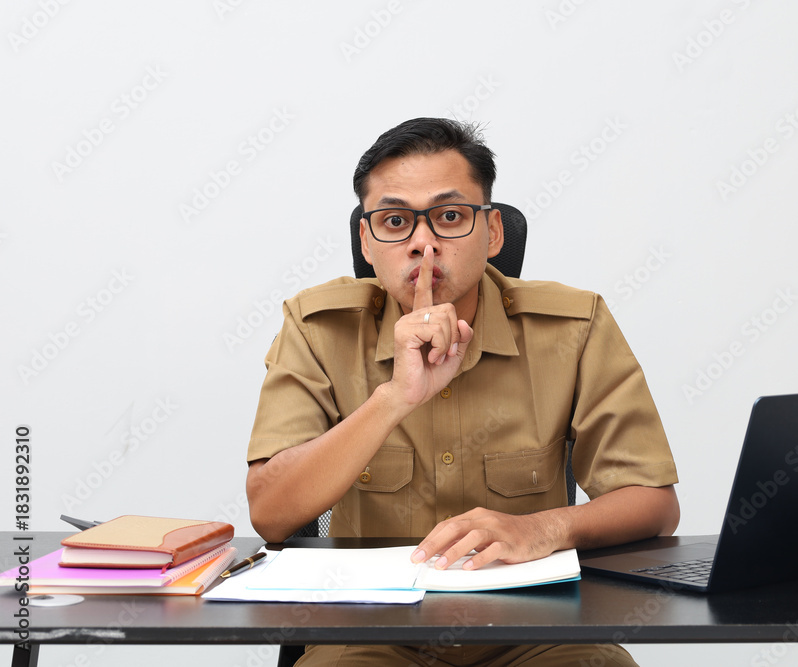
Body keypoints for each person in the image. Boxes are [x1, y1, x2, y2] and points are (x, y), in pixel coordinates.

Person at [245, 117, 680, 666]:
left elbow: (654, 504)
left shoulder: (574, 327)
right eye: (395, 221)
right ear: (367, 241)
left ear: (493, 232)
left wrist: (540, 528)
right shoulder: (316, 329)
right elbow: (271, 513)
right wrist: (394, 397)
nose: (423, 244)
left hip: (539, 630)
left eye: (449, 217)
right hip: (371, 632)